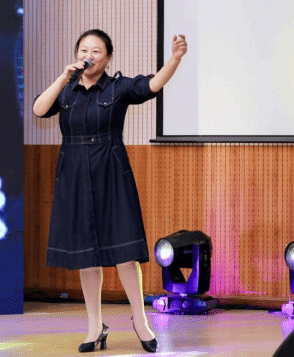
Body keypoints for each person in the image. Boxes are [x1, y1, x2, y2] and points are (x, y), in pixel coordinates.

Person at [33, 29, 187, 353]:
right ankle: (95, 327)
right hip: (74, 177)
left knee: (124, 253)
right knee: (86, 257)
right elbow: (38, 109)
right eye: (83, 50)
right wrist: (62, 78)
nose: (88, 56)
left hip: (111, 174)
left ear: (107, 58)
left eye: (96, 51)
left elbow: (152, 85)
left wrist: (174, 59)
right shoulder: (66, 90)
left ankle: (140, 321)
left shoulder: (118, 87)